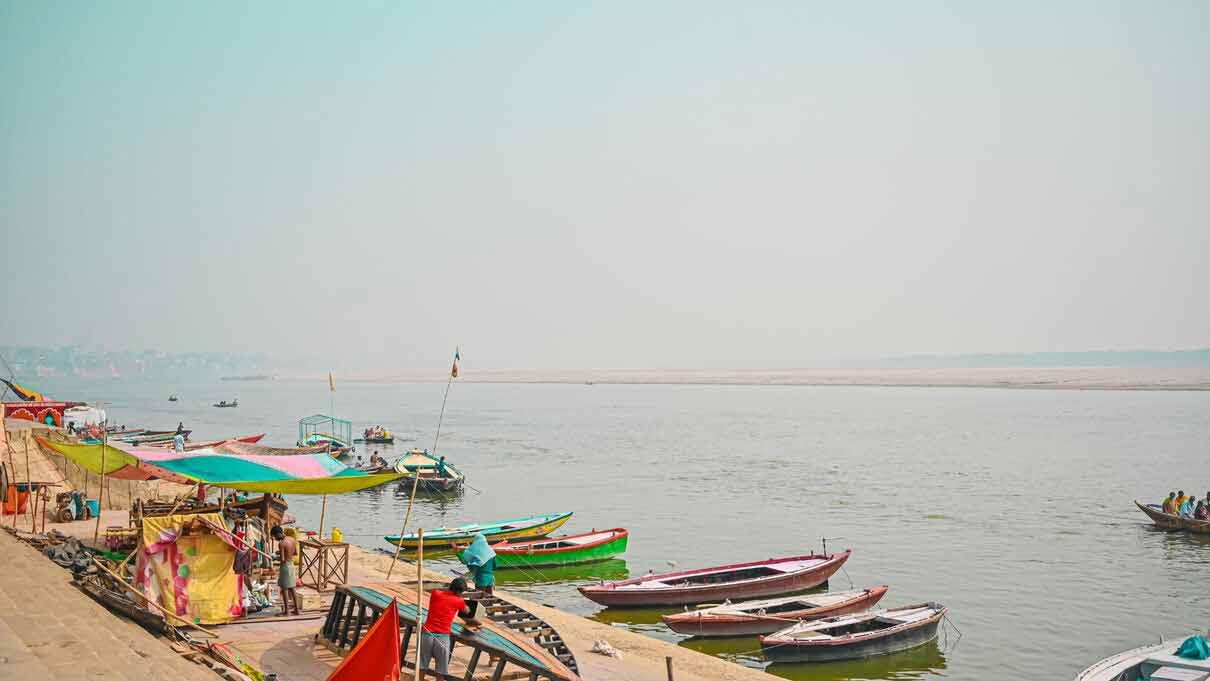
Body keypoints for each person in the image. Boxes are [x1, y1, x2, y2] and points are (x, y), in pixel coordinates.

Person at [419, 577, 474, 679]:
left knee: (422, 665)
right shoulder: (459, 601)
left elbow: (442, 595)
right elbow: (467, 611)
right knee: (441, 670)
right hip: (442, 637)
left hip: (427, 634)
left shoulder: (435, 593)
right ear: (459, 591)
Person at [458, 533, 495, 617]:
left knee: (476, 598)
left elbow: (467, 562)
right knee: (489, 599)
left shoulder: (475, 552)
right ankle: (491, 615)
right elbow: (495, 566)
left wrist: (458, 553)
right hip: (490, 579)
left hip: (481, 578)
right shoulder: (491, 552)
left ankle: (472, 616)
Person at [271, 526, 300, 616]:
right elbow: (295, 553)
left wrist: (275, 558)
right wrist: (281, 552)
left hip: (285, 567)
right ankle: (297, 610)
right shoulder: (292, 539)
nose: (275, 539)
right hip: (291, 565)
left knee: (285, 589)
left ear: (278, 534)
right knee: (292, 588)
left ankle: (287, 611)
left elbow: (283, 559)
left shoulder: (282, 543)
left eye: (275, 536)